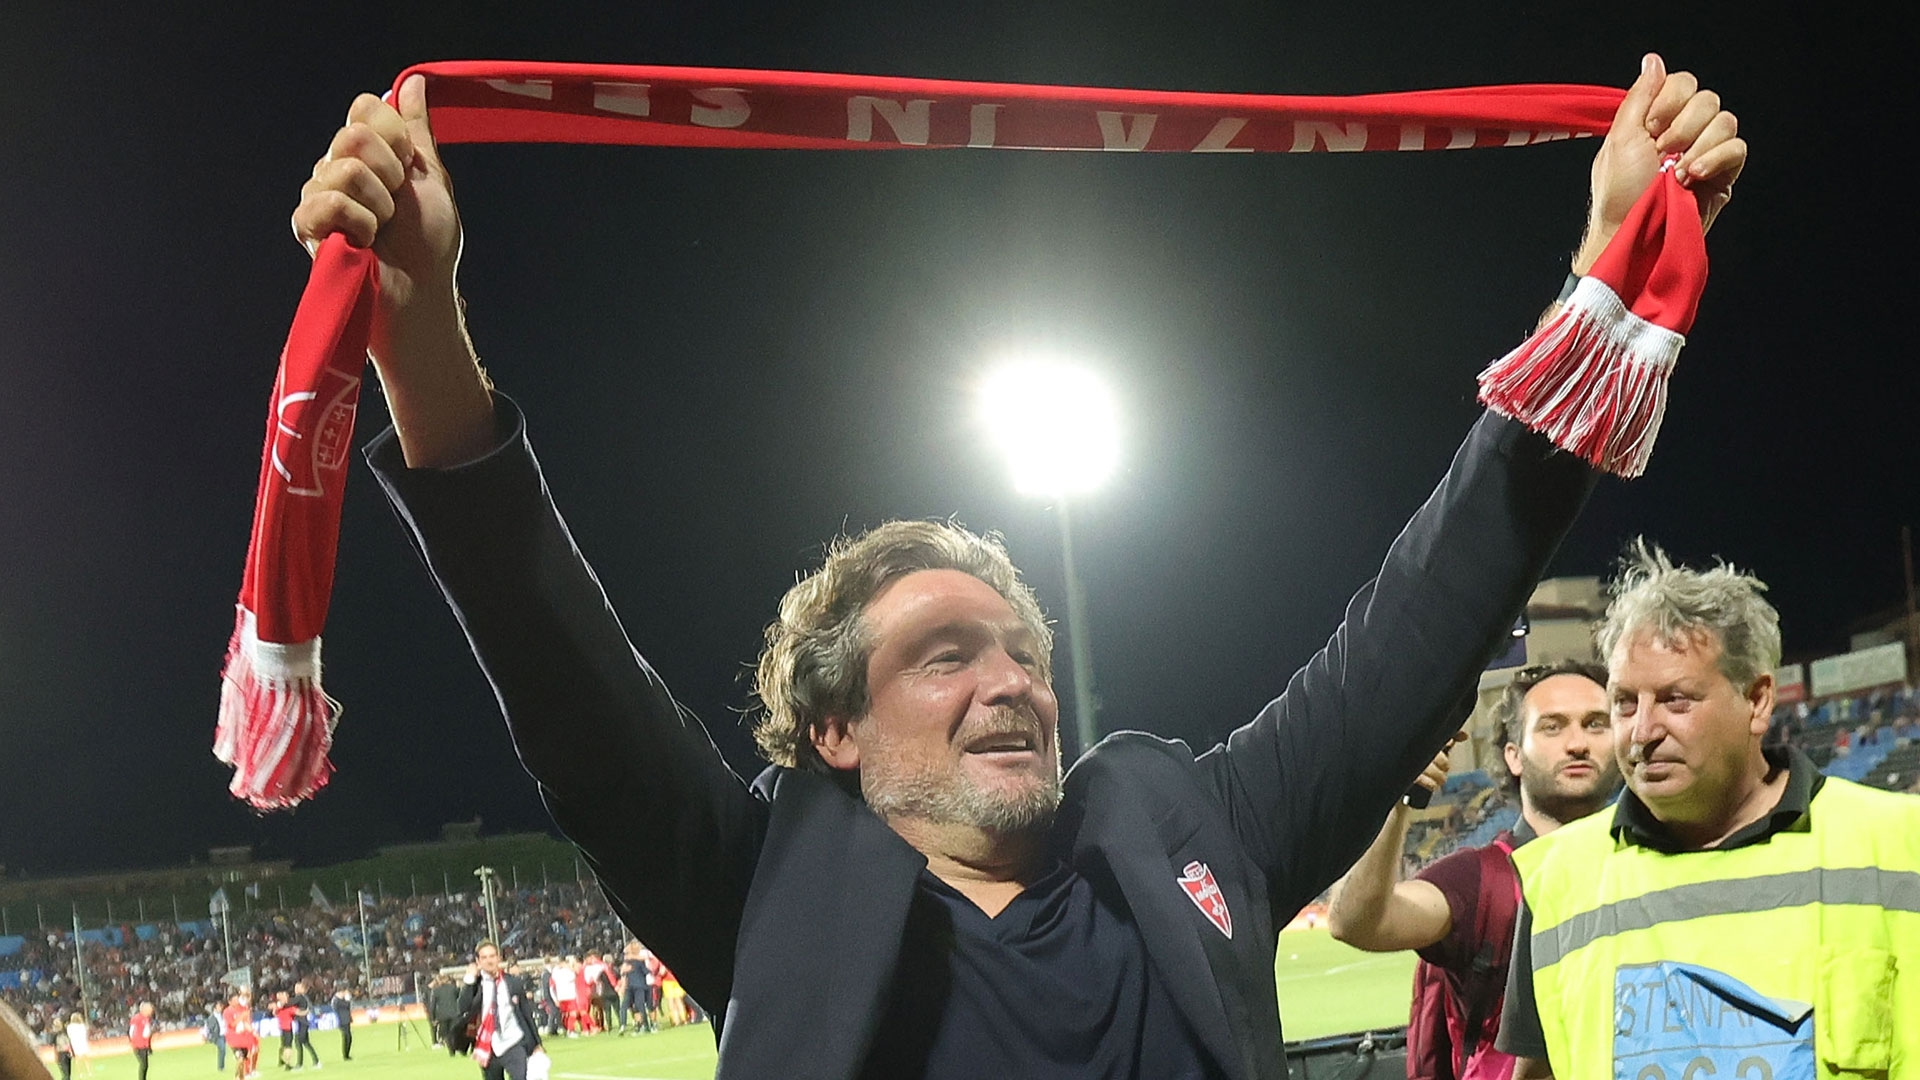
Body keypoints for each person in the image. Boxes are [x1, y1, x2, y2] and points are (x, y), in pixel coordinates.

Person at [294, 52, 1743, 1078]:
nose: (1013, 683)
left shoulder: (1193, 828)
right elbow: (557, 661)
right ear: (834, 729)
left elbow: (1427, 615)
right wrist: (421, 328)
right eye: (946, 655)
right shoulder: (755, 887)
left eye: (1026, 654)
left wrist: (1607, 268)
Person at [1500, 543, 1920, 1078]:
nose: (1642, 732)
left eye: (1676, 699)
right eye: (1624, 702)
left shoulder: (1900, 843)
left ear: (1758, 701)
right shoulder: (1559, 878)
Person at [1327, 660, 1620, 1080]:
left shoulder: (1649, 862)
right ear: (1514, 756)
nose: (1577, 743)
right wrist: (1396, 800)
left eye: (1595, 724)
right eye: (1552, 727)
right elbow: (1355, 922)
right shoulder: (1481, 880)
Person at [452, 942, 545, 1080]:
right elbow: (463, 1008)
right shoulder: (476, 985)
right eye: (484, 957)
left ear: (499, 958)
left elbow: (526, 1013)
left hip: (513, 1041)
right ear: (478, 961)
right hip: (488, 1045)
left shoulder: (513, 982)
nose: (489, 961)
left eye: (492, 956)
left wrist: (537, 1043)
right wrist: (469, 979)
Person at [616, 942, 654, 1035]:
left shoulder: (633, 961)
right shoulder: (634, 962)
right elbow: (646, 971)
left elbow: (624, 974)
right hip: (636, 986)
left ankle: (643, 1026)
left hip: (634, 986)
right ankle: (642, 1026)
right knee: (638, 1006)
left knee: (636, 1006)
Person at [221, 992, 259, 1080]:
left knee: (246, 1057)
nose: (237, 1001)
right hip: (233, 1039)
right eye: (234, 1000)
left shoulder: (242, 1009)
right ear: (229, 1002)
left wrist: (252, 1031)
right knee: (240, 1058)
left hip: (243, 1038)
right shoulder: (227, 1012)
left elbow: (245, 1022)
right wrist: (241, 1017)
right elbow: (232, 1025)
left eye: (237, 999)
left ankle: (242, 1076)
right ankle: (239, 1077)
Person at [291, 982, 321, 1070]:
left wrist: (282, 1001)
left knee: (299, 1043)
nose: (296, 989)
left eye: (298, 987)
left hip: (301, 1024)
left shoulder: (299, 997)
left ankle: (300, 1064)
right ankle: (316, 1061)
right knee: (305, 1043)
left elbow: (289, 1003)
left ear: (302, 989)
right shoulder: (303, 998)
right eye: (295, 987)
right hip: (303, 1024)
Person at [131, 1001, 158, 1080]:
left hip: (144, 1044)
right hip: (138, 1045)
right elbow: (132, 1031)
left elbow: (146, 1032)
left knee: (145, 1065)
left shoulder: (147, 1018)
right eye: (150, 1010)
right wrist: (134, 1041)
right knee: (143, 1064)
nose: (151, 1012)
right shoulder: (136, 1018)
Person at [329, 986, 353, 1062]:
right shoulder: (336, 1000)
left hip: (346, 1020)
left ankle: (347, 1054)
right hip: (341, 1021)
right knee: (346, 1037)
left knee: (348, 1037)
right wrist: (348, 1000)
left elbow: (347, 1007)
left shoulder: (340, 999)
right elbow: (345, 1005)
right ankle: (345, 1055)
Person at [271, 991, 295, 1070]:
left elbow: (274, 1013)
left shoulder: (281, 1005)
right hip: (287, 1027)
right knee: (288, 1046)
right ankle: (287, 1064)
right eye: (285, 996)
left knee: (283, 1045)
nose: (287, 998)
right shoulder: (284, 1005)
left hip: (282, 1027)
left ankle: (281, 1060)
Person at [64, 1011, 92, 1078]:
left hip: (75, 1043)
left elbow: (69, 1035)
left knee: (78, 1059)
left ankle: (80, 1073)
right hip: (82, 1042)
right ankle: (89, 1072)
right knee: (86, 1058)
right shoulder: (82, 1026)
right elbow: (85, 1034)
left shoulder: (69, 1027)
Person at [205, 1005, 227, 1073]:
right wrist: (209, 1036)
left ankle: (221, 1066)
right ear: (215, 1009)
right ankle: (220, 1067)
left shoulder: (222, 1015)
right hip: (217, 1036)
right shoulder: (211, 1017)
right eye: (219, 1007)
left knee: (222, 1051)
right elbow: (209, 1027)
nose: (220, 1008)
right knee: (222, 1049)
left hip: (223, 1035)